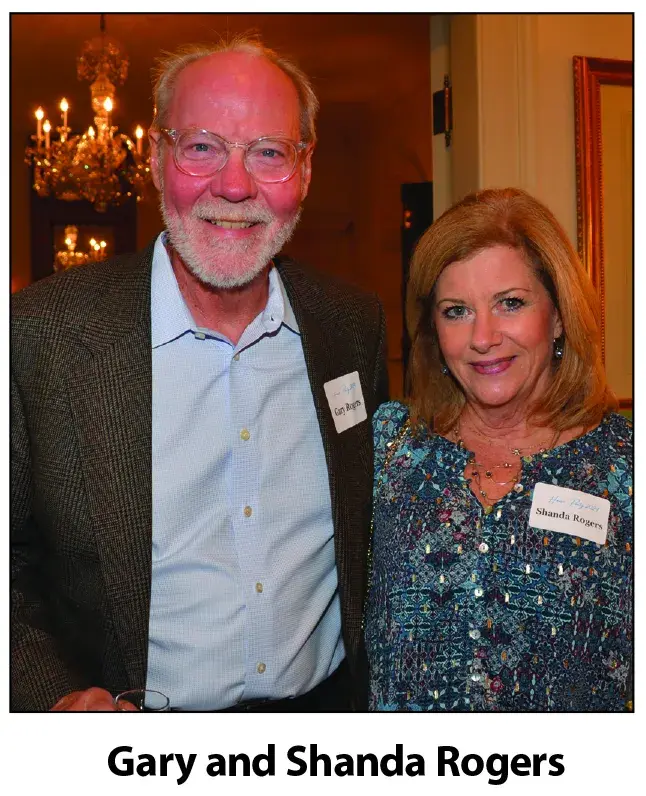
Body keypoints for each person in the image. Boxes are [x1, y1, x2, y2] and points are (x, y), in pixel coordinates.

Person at [11, 36, 389, 711]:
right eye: (202, 147)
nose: (235, 186)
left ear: (305, 170)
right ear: (157, 159)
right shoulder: (39, 336)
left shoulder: (352, 326)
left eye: (269, 152)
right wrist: (54, 696)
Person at [365, 187, 632, 711]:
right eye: (456, 311)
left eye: (510, 303)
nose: (483, 337)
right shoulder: (388, 449)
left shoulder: (624, 467)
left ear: (558, 316)